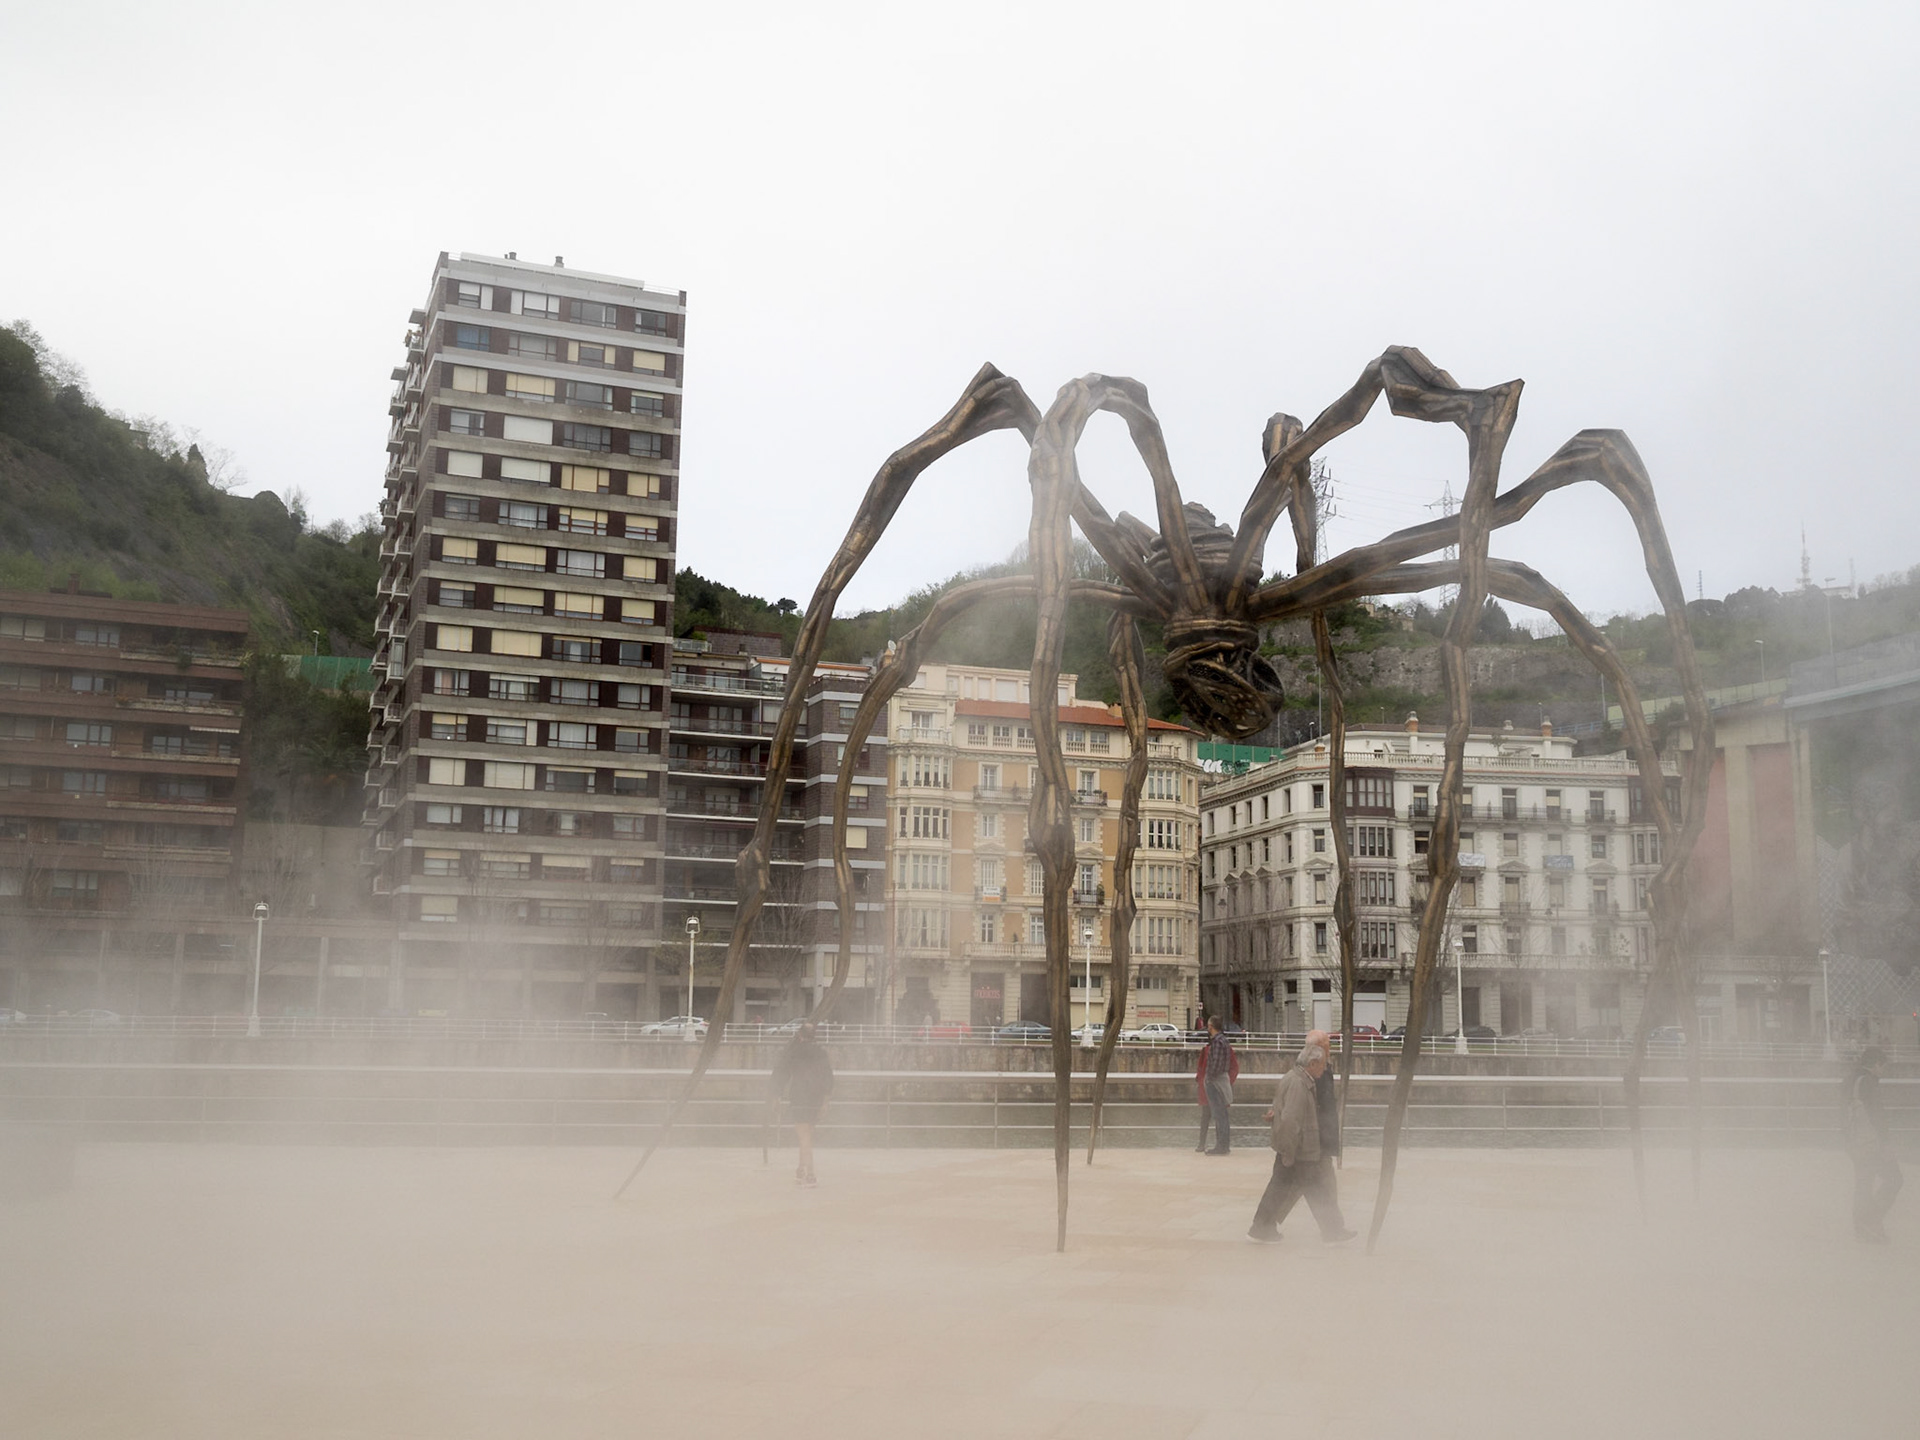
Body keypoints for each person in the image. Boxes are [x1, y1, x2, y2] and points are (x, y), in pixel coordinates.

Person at [1247, 1041, 1357, 1244]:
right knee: (1317, 1189)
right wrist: (1289, 1151)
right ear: (1312, 1063)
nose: (1324, 1068)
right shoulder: (1299, 1084)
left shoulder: (1294, 1078)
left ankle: (1261, 1226)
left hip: (1293, 1148)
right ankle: (1333, 1231)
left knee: (1279, 1188)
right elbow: (1291, 1119)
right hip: (1300, 1150)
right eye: (1323, 1064)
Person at [1846, 1046, 1902, 1242]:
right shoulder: (1868, 1082)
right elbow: (1878, 1116)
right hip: (1872, 1143)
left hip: (1856, 1142)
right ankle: (1871, 1220)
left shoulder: (1853, 1080)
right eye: (1883, 1066)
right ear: (1876, 1064)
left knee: (1863, 1183)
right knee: (1895, 1179)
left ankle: (1862, 1226)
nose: (1883, 1070)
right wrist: (1886, 1143)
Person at [771, 1021, 834, 1188]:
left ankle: (810, 1173)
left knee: (803, 1135)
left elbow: (781, 1072)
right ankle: (800, 1169)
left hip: (798, 1096)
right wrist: (826, 1102)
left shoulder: (793, 1052)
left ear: (799, 1035)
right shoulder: (821, 1053)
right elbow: (828, 1077)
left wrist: (776, 1095)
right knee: (808, 1135)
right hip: (816, 1098)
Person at [1195, 1018, 1240, 1152]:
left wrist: (1208, 1079)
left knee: (1217, 1116)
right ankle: (1220, 1145)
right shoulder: (1224, 1042)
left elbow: (1215, 1066)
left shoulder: (1217, 1043)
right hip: (1216, 1083)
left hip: (1214, 1084)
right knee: (1220, 1116)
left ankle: (1218, 1146)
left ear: (1211, 1026)